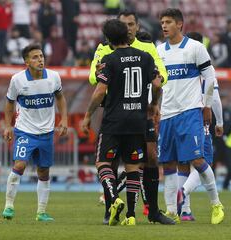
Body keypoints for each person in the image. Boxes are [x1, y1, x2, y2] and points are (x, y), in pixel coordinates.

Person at [89, 10, 173, 225]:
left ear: (137, 26)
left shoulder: (146, 46)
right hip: (135, 113)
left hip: (129, 115)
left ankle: (151, 210)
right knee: (128, 163)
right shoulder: (104, 49)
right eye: (123, 24)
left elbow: (162, 76)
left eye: (130, 24)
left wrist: (153, 105)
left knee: (149, 158)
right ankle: (118, 211)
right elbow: (92, 76)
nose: (127, 28)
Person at [156, 8, 224, 224]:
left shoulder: (195, 48)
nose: (164, 26)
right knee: (168, 163)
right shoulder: (159, 51)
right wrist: (153, 107)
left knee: (197, 158)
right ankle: (171, 210)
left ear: (180, 24)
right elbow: (155, 83)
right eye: (162, 22)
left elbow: (210, 78)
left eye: (168, 22)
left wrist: (206, 106)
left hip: (190, 112)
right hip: (167, 114)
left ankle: (216, 204)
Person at [1, 44, 68, 221]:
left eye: (41, 56)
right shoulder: (17, 80)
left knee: (43, 171)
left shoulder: (54, 77)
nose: (40, 60)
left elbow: (60, 98)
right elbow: (9, 103)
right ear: (26, 62)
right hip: (25, 131)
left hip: (46, 132)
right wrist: (8, 126)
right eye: (35, 57)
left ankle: (41, 212)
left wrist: (64, 119)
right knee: (20, 165)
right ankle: (8, 205)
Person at [177, 32, 224, 221]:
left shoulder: (181, 68)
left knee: (183, 165)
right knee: (202, 163)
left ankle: (185, 211)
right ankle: (183, 191)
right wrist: (219, 122)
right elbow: (216, 99)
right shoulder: (206, 71)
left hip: (178, 118)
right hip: (199, 120)